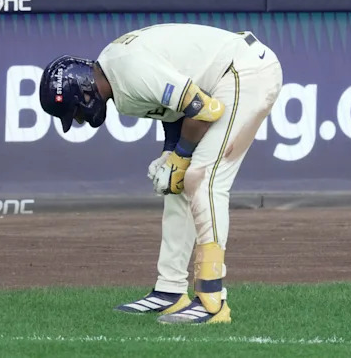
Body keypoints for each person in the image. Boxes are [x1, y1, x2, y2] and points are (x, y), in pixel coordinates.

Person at [38, 23, 284, 324]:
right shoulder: (115, 75)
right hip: (226, 75)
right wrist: (172, 155)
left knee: (203, 180)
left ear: (82, 91)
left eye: (74, 111)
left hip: (243, 73)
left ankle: (212, 299)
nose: (78, 118)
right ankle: (170, 290)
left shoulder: (127, 72)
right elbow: (176, 110)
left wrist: (181, 156)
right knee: (178, 184)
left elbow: (204, 109)